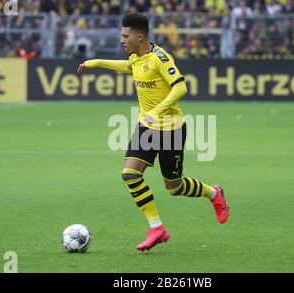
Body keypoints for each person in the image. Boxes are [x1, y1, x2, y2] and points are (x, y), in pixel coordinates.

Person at [77, 12, 229, 251]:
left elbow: (181, 87)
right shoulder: (136, 58)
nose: (122, 40)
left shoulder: (160, 57)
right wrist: (95, 63)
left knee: (175, 187)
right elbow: (126, 66)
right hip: (146, 127)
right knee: (130, 174)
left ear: (140, 37)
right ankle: (157, 227)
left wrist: (157, 111)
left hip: (171, 129)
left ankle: (214, 193)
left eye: (125, 36)